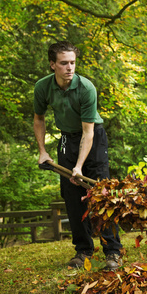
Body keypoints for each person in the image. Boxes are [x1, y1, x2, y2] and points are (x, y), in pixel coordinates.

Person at [33, 41, 122, 270]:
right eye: (63, 63)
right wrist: (43, 151)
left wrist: (79, 166)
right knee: (72, 197)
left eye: (72, 62)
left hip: (93, 137)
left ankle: (112, 252)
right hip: (66, 139)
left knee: (102, 194)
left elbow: (88, 132)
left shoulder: (86, 88)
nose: (69, 68)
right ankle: (83, 251)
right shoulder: (43, 87)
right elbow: (39, 119)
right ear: (52, 65)